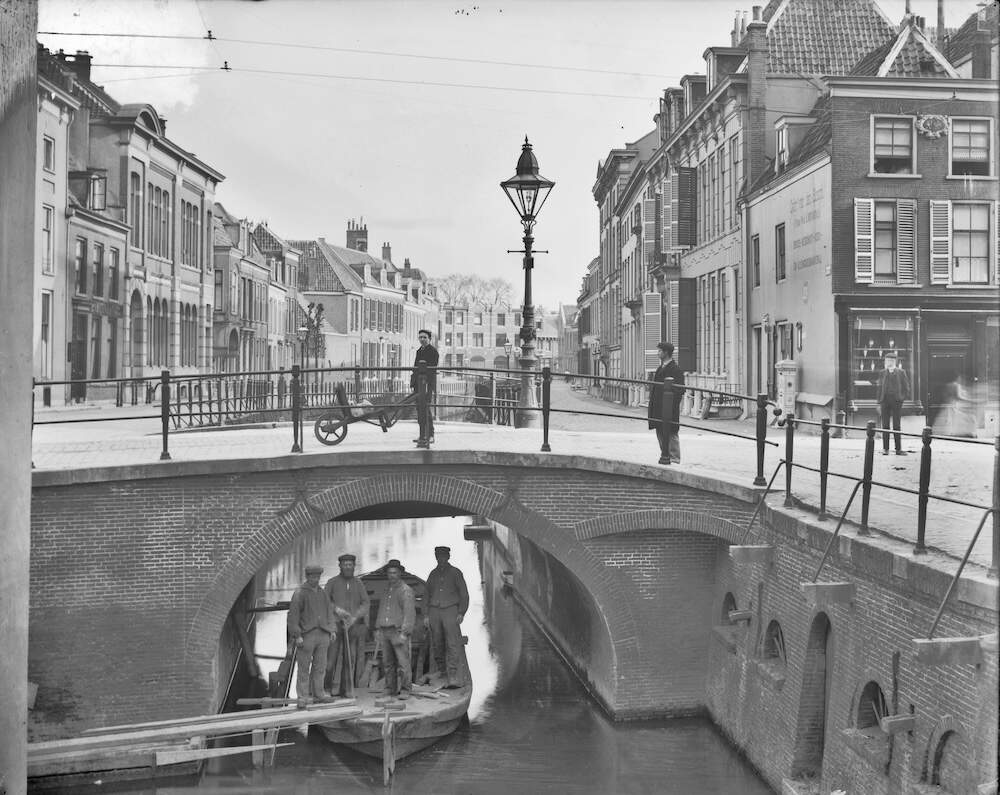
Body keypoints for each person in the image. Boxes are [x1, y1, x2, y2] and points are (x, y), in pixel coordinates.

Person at [287, 564, 336, 702]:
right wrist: (297, 635)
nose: (315, 579)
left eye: (317, 577)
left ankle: (318, 694)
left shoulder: (322, 593)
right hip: (306, 636)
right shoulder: (300, 593)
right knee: (303, 668)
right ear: (307, 577)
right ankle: (303, 697)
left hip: (323, 635)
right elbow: (293, 616)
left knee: (320, 667)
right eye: (312, 576)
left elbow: (329, 613)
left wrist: (331, 630)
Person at [323, 553, 370, 697]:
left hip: (352, 627)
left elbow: (366, 603)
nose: (348, 567)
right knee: (330, 659)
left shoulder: (358, 583)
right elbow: (324, 601)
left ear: (354, 566)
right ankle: (326, 689)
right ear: (340, 566)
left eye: (350, 565)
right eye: (345, 565)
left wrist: (355, 617)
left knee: (349, 659)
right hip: (335, 626)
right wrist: (336, 609)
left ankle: (346, 690)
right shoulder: (332, 582)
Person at [424, 546, 469, 688]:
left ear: (448, 557)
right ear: (436, 557)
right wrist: (425, 615)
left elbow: (464, 594)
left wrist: (461, 612)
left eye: (443, 556)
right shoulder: (433, 574)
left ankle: (453, 673)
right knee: (437, 641)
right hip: (434, 611)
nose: (440, 559)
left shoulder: (456, 573)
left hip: (450, 610)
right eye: (438, 556)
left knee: (452, 642)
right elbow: (426, 595)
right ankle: (442, 670)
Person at [374, 559, 415, 699]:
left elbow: (409, 614)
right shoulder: (386, 590)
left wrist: (404, 633)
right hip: (385, 631)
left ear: (400, 574)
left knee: (403, 663)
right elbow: (381, 610)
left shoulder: (405, 590)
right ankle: (389, 689)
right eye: (390, 573)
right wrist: (378, 629)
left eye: (395, 573)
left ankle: (405, 690)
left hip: (398, 631)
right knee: (388, 663)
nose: (392, 575)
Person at [647, 341, 685, 465]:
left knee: (671, 432)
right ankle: (665, 454)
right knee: (660, 430)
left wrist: (672, 406)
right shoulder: (660, 367)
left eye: (659, 351)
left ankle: (674, 458)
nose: (657, 353)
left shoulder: (675, 369)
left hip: (668, 407)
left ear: (666, 352)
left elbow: (680, 390)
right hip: (658, 406)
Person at [410, 329, 439, 446]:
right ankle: (422, 434)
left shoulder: (433, 352)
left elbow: (432, 369)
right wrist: (413, 382)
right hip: (418, 385)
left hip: (426, 385)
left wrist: (426, 383)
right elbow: (415, 367)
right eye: (420, 337)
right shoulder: (419, 351)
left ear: (429, 339)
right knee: (419, 410)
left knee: (425, 409)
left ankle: (431, 434)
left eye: (424, 337)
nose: (422, 339)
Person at [877, 354, 910, 455]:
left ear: (895, 362)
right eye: (887, 361)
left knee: (896, 425)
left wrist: (901, 399)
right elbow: (879, 387)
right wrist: (879, 401)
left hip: (896, 401)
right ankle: (885, 449)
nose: (889, 362)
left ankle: (898, 449)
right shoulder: (882, 373)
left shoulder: (901, 372)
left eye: (891, 361)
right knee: (885, 425)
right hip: (885, 401)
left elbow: (906, 388)